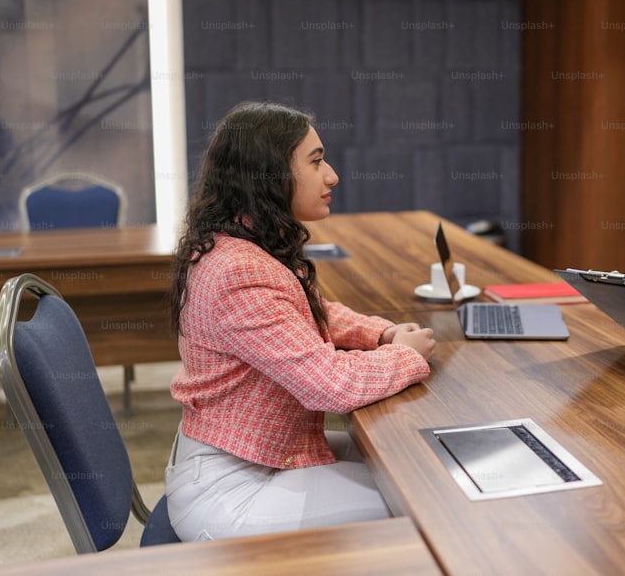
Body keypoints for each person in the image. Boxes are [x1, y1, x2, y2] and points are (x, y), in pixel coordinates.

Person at [164, 101, 436, 541]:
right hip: (231, 493)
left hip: (264, 455)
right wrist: (404, 357)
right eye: (316, 162)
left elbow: (311, 311)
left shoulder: (246, 237)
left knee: (422, 460)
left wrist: (381, 333)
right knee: (428, 498)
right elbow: (328, 386)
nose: (332, 175)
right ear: (269, 175)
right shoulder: (238, 272)